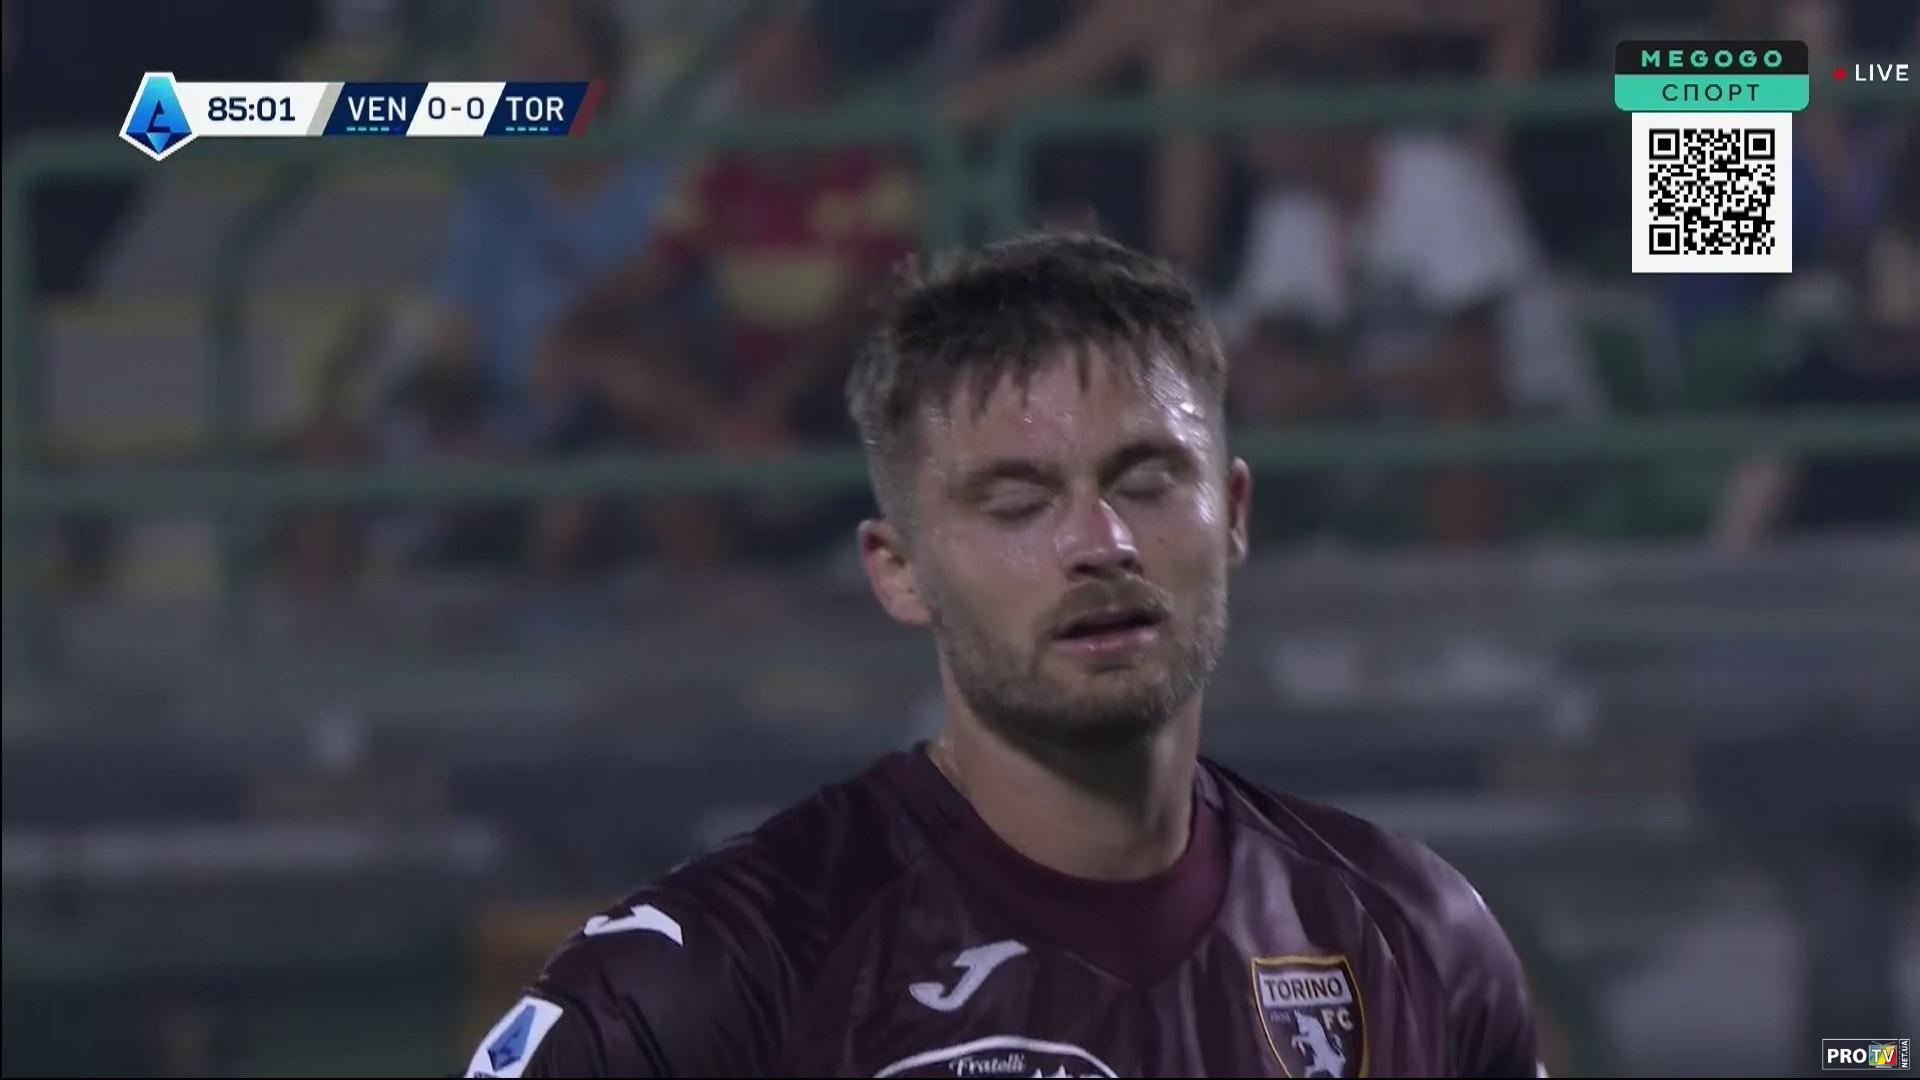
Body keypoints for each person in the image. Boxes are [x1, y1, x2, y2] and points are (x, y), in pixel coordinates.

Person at [462, 234, 1540, 1078]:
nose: (1102, 543)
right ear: (898, 571)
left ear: (1235, 514)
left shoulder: (1414, 936)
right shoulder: (714, 976)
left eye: (1148, 482)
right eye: (1018, 503)